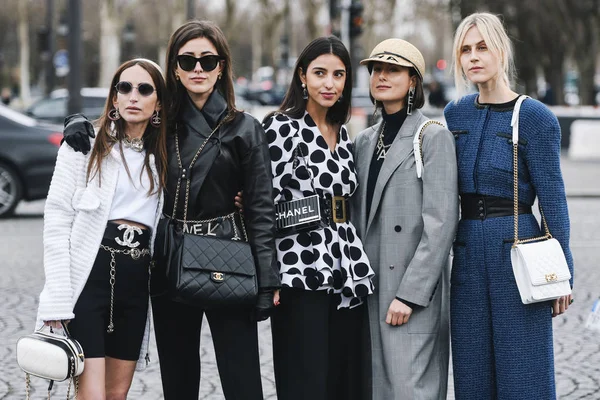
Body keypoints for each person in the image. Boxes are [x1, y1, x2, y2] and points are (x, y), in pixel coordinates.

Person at [62, 20, 279, 400]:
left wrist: (268, 279)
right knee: (178, 381)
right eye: (187, 60)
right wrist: (77, 122)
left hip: (228, 257)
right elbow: (117, 128)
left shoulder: (244, 128)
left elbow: (261, 208)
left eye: (208, 60)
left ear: (221, 67)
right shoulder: (160, 126)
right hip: (170, 260)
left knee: (242, 378)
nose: (198, 68)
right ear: (174, 68)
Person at [444, 12, 574, 399]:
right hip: (466, 254)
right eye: (465, 50)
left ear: (501, 50)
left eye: (482, 47)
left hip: (519, 252)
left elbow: (553, 199)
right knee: (471, 372)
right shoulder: (455, 114)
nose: (473, 57)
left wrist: (562, 272)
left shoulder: (536, 117)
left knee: (524, 372)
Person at [36, 58, 168, 399]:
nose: (133, 96)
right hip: (91, 280)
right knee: (91, 395)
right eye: (124, 88)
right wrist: (57, 299)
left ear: (159, 102)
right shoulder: (84, 144)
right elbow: (56, 219)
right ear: (114, 98)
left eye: (144, 89)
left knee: (116, 395)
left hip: (136, 284)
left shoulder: (167, 154)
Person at [261, 36, 375, 400]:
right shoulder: (281, 127)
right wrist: (270, 276)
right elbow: (263, 203)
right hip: (299, 268)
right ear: (302, 77)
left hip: (346, 267)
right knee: (305, 380)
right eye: (320, 73)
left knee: (343, 379)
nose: (330, 83)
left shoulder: (344, 136)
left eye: (338, 75)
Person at [352, 39, 458, 399]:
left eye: (393, 69)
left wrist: (411, 295)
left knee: (411, 388)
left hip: (410, 293)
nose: (381, 76)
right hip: (370, 288)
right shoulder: (364, 141)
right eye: (376, 69)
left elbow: (441, 224)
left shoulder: (433, 137)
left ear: (413, 81)